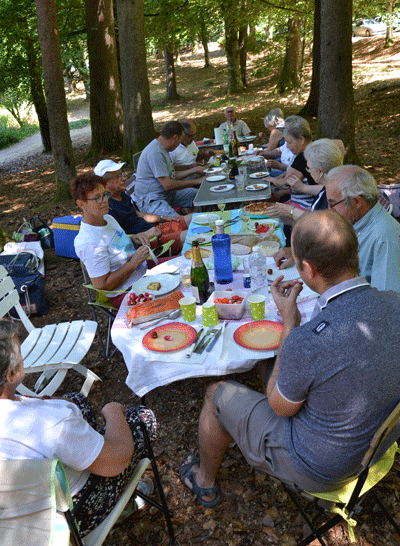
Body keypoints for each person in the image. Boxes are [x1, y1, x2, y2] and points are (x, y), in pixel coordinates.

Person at [178, 210, 400, 507]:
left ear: (307, 269)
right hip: (375, 445)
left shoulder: (308, 341)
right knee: (269, 364)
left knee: (215, 392)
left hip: (321, 468)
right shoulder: (395, 302)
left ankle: (203, 479)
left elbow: (280, 408)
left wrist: (289, 325)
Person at [0, 319, 157, 536]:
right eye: (19, 352)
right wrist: (112, 413)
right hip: (71, 514)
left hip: (15, 510)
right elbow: (117, 461)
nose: (22, 356)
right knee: (141, 418)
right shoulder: (52, 424)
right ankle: (124, 506)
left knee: (76, 400)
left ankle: (88, 446)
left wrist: (56, 404)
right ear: (10, 374)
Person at [275, 165, 400, 292]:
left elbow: (388, 301)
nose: (329, 209)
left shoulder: (385, 238)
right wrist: (302, 255)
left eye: (332, 203)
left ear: (357, 202)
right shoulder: (357, 220)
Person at [72, 172, 149, 306]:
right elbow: (103, 285)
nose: (104, 200)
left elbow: (117, 245)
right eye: (97, 198)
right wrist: (133, 263)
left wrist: (135, 238)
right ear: (81, 204)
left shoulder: (108, 218)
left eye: (104, 195)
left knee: (185, 268)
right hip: (125, 292)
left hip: (144, 272)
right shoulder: (88, 241)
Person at [94, 159, 190, 255]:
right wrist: (144, 235)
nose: (123, 178)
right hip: (148, 244)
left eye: (122, 174)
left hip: (155, 230)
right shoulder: (107, 209)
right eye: (118, 176)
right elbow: (117, 241)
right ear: (105, 183)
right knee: (191, 235)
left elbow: (138, 214)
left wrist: (164, 218)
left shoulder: (122, 194)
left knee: (193, 218)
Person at [132, 120, 205, 216]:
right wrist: (197, 181)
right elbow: (168, 184)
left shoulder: (163, 149)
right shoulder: (156, 152)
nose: (180, 143)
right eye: (180, 140)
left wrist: (194, 171)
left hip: (166, 195)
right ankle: (191, 222)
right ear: (175, 138)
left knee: (200, 195)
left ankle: (196, 218)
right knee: (179, 224)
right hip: (152, 200)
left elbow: (172, 175)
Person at [266, 139, 344, 222]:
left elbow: (319, 224)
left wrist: (290, 211)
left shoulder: (333, 196)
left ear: (320, 172)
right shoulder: (330, 186)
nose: (308, 171)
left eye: (309, 168)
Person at [265, 116, 319, 209]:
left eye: (289, 142)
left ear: (301, 140)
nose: (287, 146)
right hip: (306, 202)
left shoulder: (303, 156)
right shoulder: (314, 148)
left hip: (304, 206)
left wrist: (271, 180)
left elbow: (285, 183)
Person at [257, 108, 295, 175]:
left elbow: (269, 153)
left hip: (282, 166)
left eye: (268, 127)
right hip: (286, 167)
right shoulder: (285, 128)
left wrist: (265, 153)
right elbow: (279, 149)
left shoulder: (275, 131)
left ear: (271, 124)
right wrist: (265, 153)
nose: (269, 129)